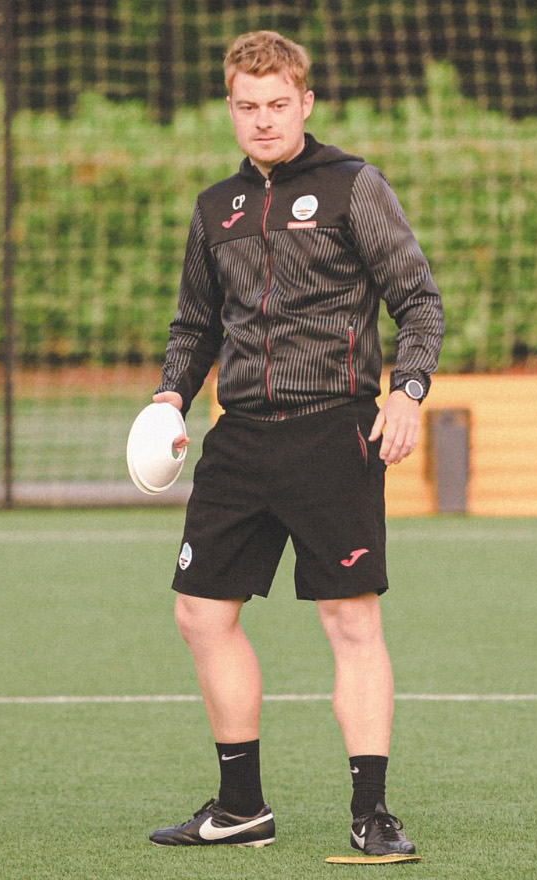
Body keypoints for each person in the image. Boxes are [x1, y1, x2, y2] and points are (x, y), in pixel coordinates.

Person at [145, 30, 443, 859]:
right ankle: (240, 807)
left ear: (306, 103)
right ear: (230, 108)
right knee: (201, 615)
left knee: (350, 622)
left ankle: (372, 813)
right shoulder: (216, 208)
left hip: (331, 430)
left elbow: (417, 301)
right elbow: (194, 325)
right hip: (237, 438)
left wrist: (408, 391)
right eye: (248, 107)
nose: (264, 120)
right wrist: (171, 393)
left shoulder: (354, 187)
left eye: (279, 105)